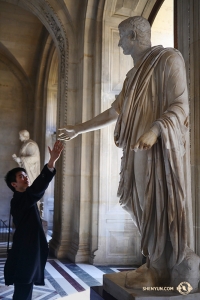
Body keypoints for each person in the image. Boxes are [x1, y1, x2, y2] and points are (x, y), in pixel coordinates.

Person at [58, 16, 199, 289]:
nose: (120, 42)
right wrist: (78, 128)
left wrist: (156, 129)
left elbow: (181, 105)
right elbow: (114, 112)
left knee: (156, 205)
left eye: (122, 36)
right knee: (132, 200)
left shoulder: (169, 59)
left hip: (158, 149)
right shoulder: (133, 75)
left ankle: (159, 268)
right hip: (135, 148)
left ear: (134, 35)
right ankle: (154, 264)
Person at [4, 140, 64, 299]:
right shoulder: (19, 200)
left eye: (25, 174)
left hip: (29, 254)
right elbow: (36, 190)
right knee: (23, 291)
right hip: (24, 254)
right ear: (14, 184)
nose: (25, 177)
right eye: (21, 176)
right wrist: (51, 163)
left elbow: (34, 191)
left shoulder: (24, 198)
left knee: (25, 289)